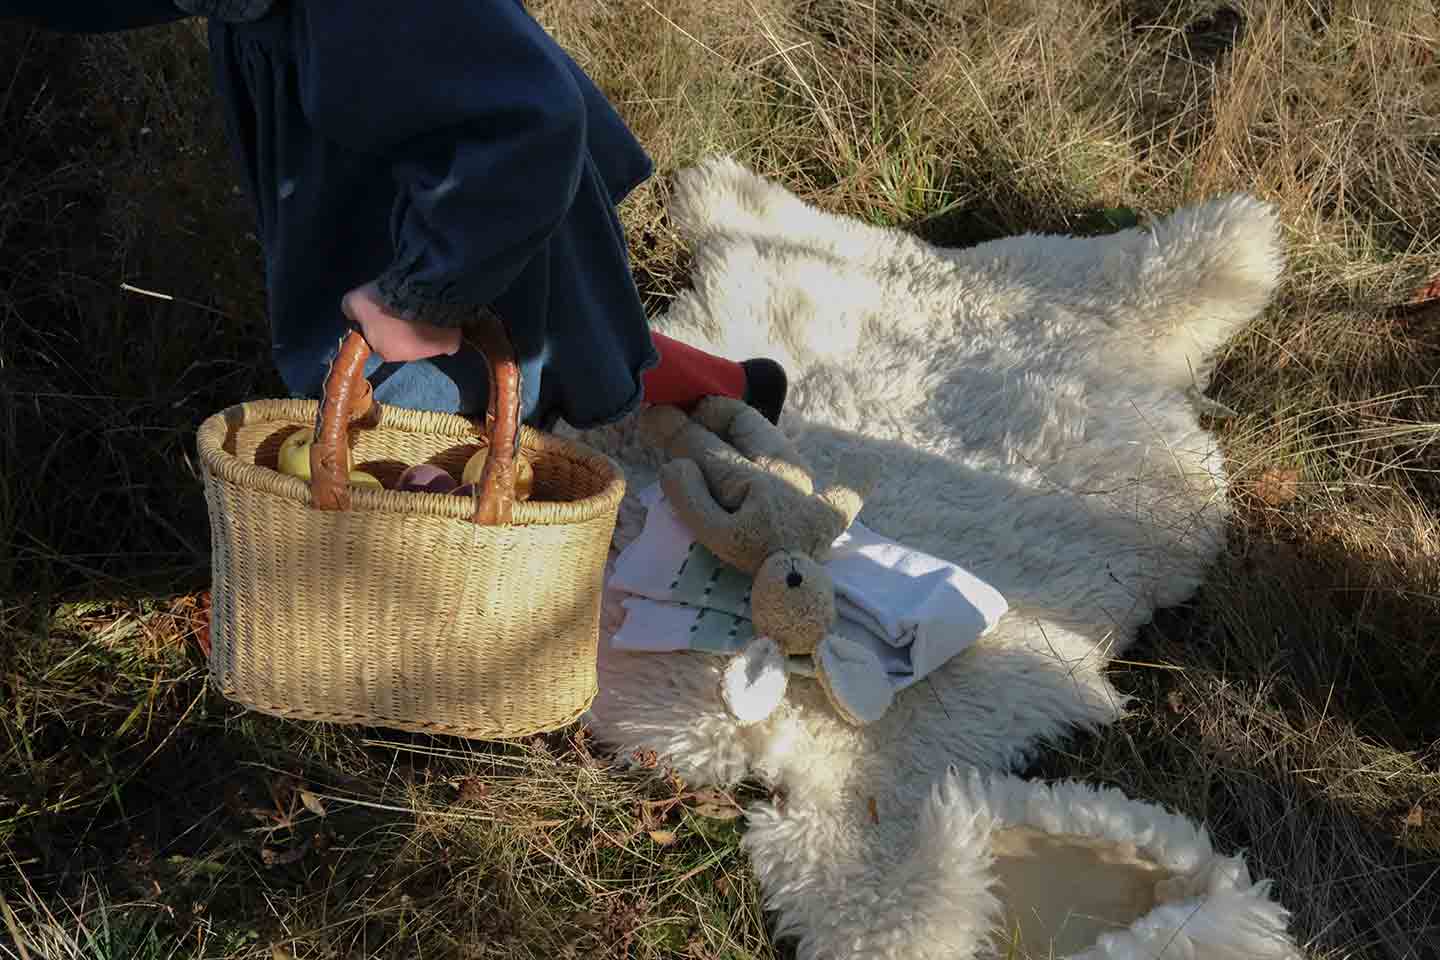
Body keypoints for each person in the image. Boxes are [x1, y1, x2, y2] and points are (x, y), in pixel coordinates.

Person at [2, 0, 788, 428]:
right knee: (570, 331)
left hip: (465, 215)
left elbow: (534, 118)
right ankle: (734, 388)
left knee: (456, 391)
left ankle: (467, 585)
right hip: (418, 196)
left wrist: (419, 297)